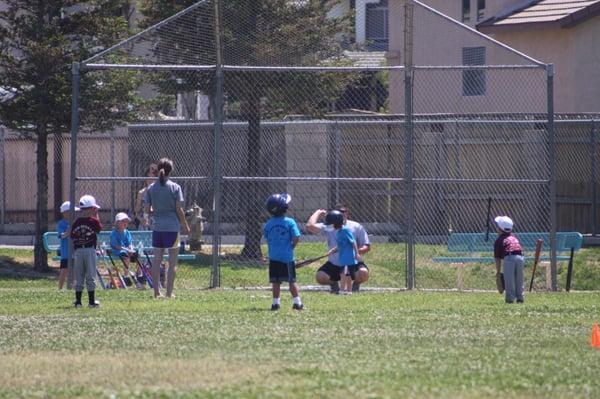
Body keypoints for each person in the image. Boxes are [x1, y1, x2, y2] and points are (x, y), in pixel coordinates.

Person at [143, 158, 190, 299]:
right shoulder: (175, 187)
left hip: (157, 228)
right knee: (172, 261)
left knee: (156, 261)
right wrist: (185, 225)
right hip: (172, 228)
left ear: (158, 169)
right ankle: (169, 293)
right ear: (171, 170)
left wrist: (156, 212)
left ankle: (157, 292)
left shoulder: (151, 188)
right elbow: (179, 209)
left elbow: (147, 209)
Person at [306, 203, 371, 293]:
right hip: (335, 264)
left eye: (343, 211)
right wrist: (318, 212)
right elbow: (310, 226)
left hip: (352, 262)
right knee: (320, 277)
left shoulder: (355, 226)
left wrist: (353, 252)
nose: (341, 214)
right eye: (338, 212)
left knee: (363, 273)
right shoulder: (329, 226)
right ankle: (334, 285)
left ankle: (354, 286)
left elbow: (367, 246)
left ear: (347, 213)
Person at [264, 193, 303, 311]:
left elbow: (267, 237)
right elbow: (296, 237)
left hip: (273, 257)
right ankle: (297, 303)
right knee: (291, 281)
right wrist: (291, 246)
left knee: (276, 281)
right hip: (287, 257)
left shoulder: (268, 224)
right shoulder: (290, 222)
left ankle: (275, 304)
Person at [71, 195, 102, 308]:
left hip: (78, 251)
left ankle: (78, 302)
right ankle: (91, 302)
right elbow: (99, 229)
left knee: (79, 276)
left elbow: (72, 235)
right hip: (89, 250)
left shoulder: (77, 222)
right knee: (90, 275)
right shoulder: (93, 221)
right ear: (91, 209)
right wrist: (96, 215)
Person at [324, 210, 359, 295]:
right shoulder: (339, 232)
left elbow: (353, 242)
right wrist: (333, 250)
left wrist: (356, 253)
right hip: (343, 258)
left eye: (331, 224)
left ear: (336, 223)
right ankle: (344, 290)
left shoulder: (345, 230)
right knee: (343, 274)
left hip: (348, 258)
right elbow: (341, 245)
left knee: (345, 274)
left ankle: (346, 291)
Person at [494, 216, 525, 304]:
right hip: (520, 257)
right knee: (519, 279)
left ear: (500, 229)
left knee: (509, 280)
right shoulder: (514, 238)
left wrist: (498, 272)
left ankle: (510, 299)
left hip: (509, 257)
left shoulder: (499, 240)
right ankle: (520, 297)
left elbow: (497, 259)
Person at [110, 212, 143, 288]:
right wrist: (127, 250)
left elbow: (130, 243)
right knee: (126, 256)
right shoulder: (114, 233)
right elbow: (116, 246)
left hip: (127, 250)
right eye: (123, 221)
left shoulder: (127, 232)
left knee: (137, 255)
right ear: (117, 222)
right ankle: (126, 275)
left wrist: (131, 249)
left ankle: (139, 274)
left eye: (126, 221)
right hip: (118, 251)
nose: (125, 223)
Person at [57, 201, 79, 289]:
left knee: (75, 270)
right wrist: (68, 231)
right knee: (64, 271)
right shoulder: (61, 223)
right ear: (65, 213)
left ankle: (74, 287)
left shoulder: (76, 222)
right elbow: (61, 235)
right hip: (66, 252)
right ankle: (60, 288)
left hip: (75, 251)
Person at [134, 163, 158, 230]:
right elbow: (136, 212)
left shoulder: (160, 193)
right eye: (148, 178)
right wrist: (141, 219)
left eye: (153, 178)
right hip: (145, 222)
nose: (150, 180)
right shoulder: (141, 193)